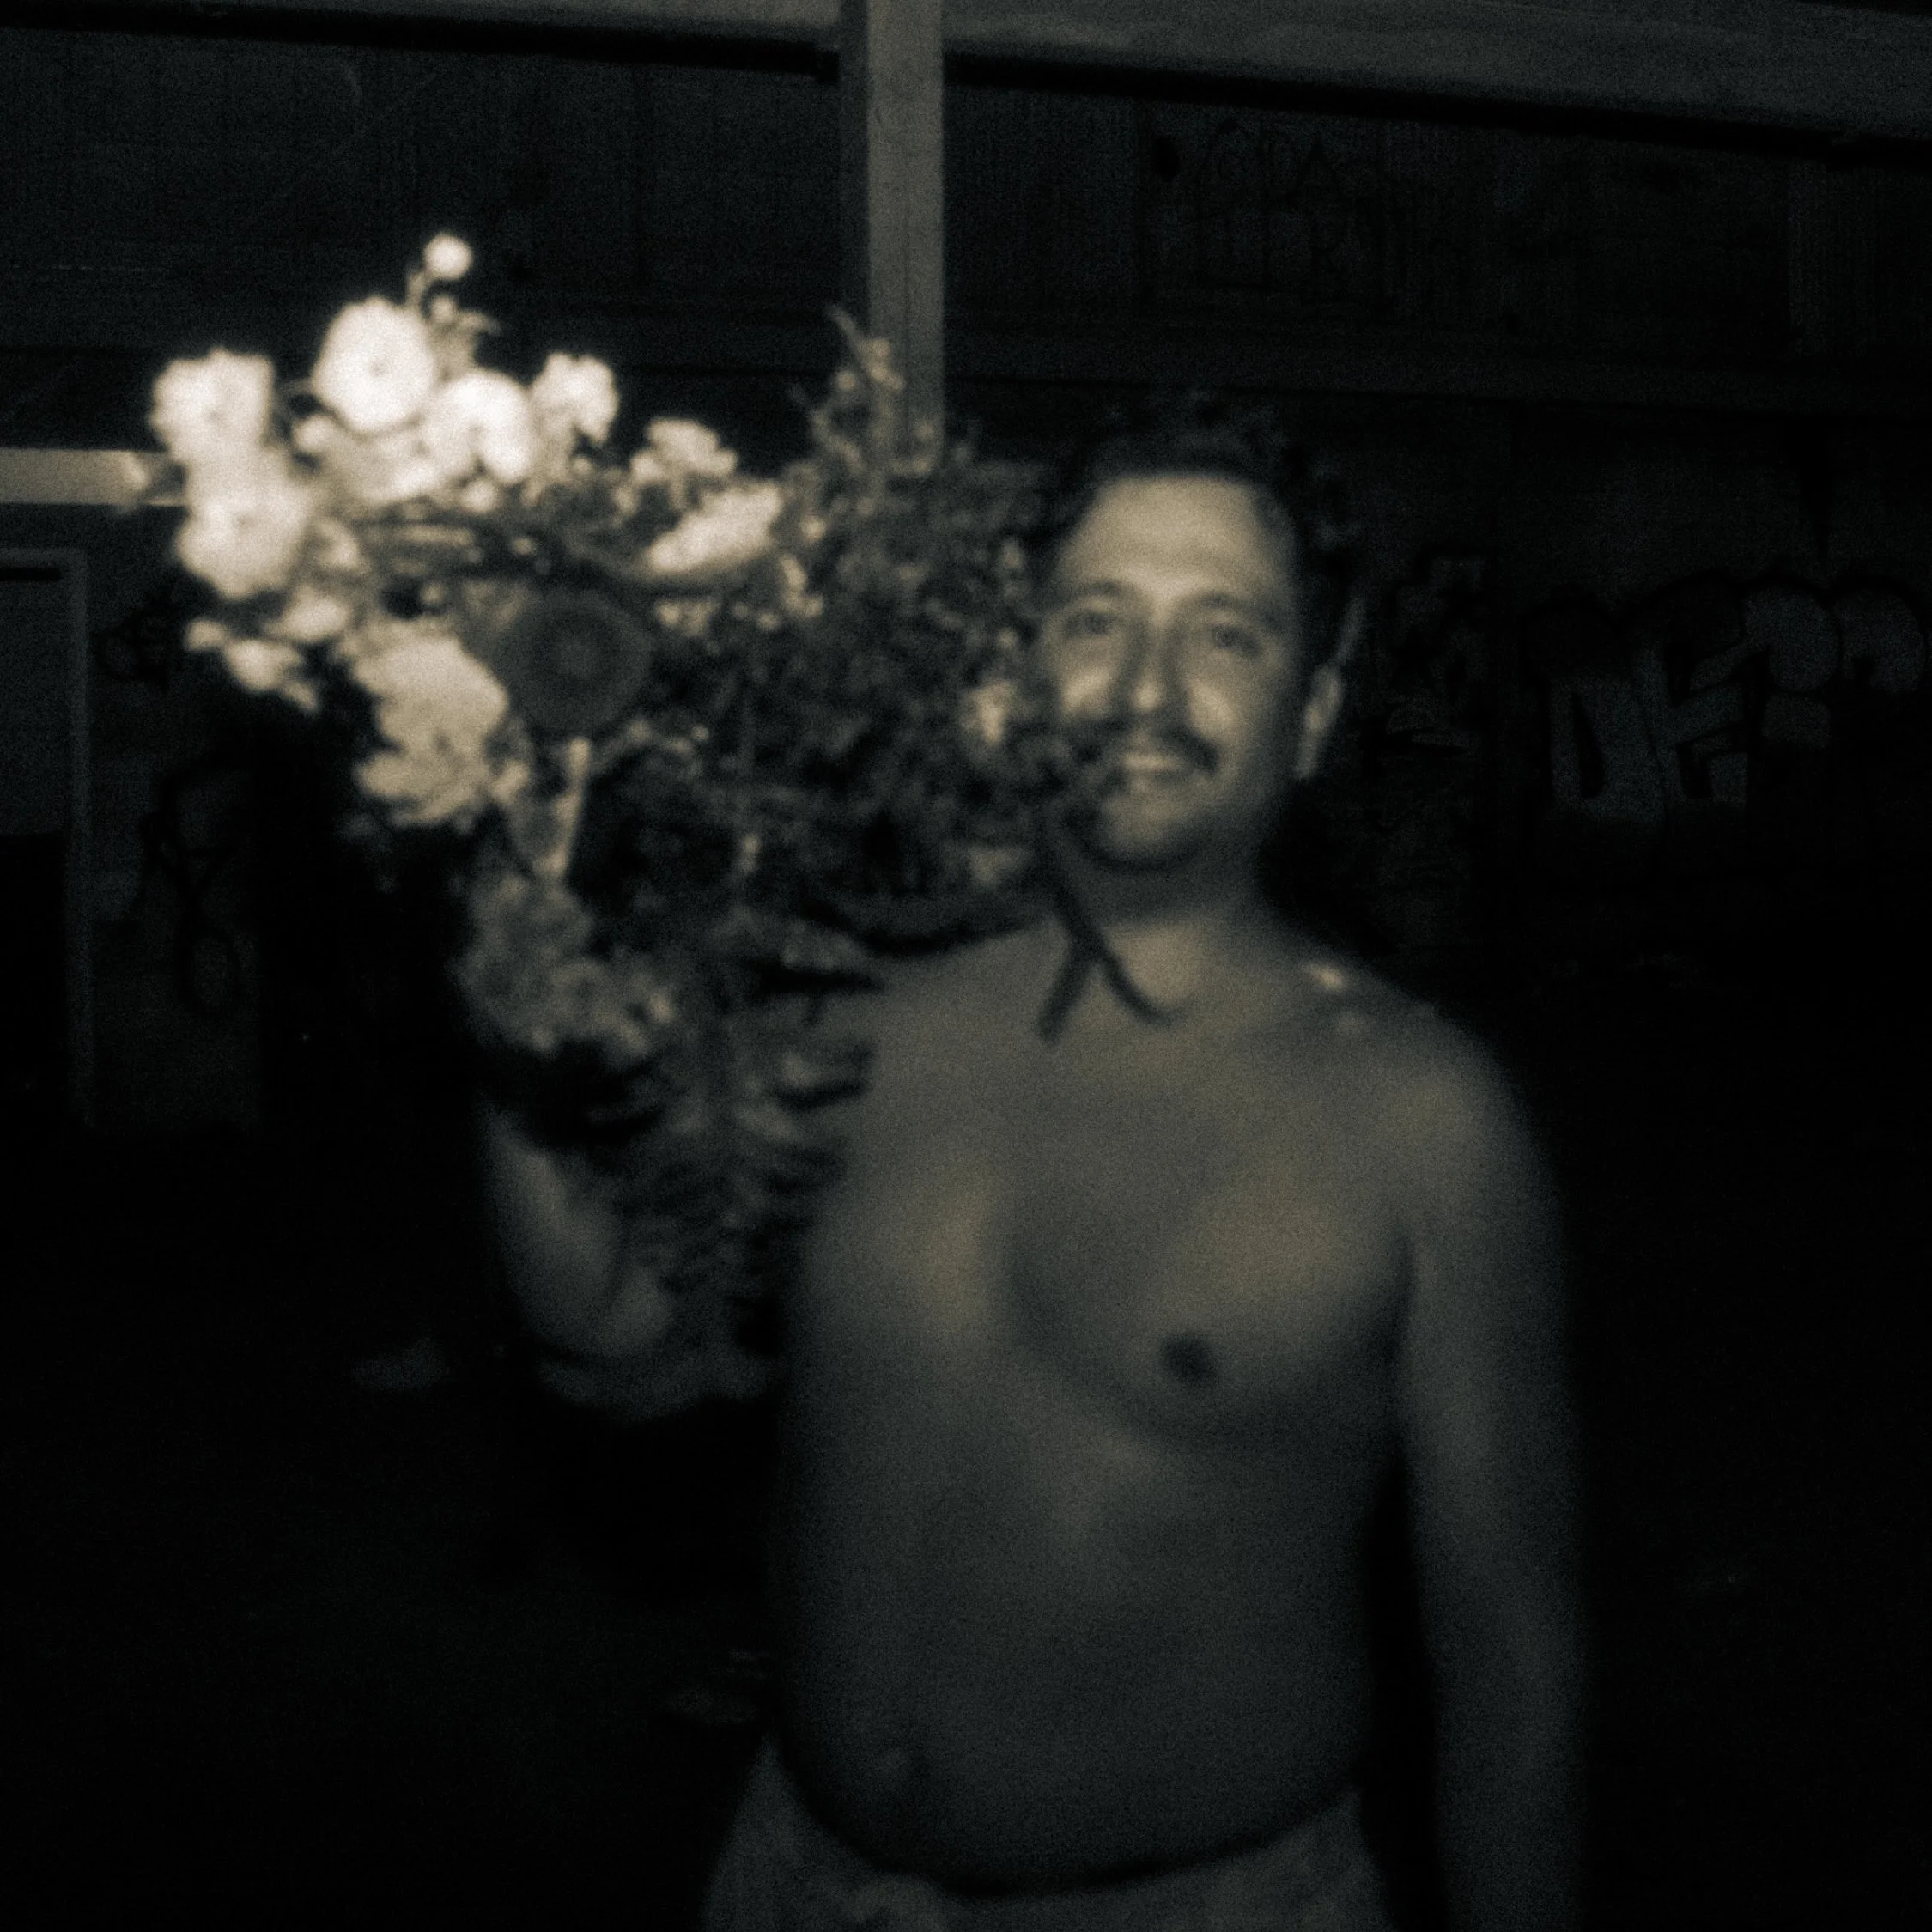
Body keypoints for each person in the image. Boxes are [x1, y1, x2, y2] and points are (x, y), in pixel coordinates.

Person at [480, 412, 1584, 1931]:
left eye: (1225, 636)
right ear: (1011, 678)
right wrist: (515, 1030)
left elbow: (1508, 1645)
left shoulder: (1418, 1115)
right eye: (1093, 620)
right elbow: (608, 1338)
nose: (1144, 690)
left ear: (1314, 710)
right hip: (794, 1881)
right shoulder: (849, 999)